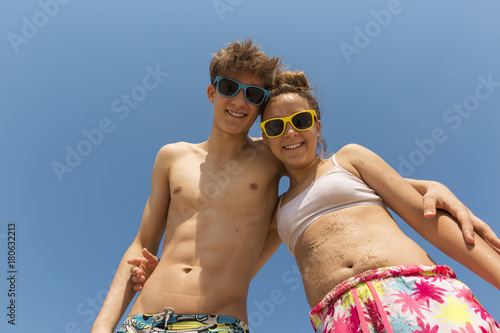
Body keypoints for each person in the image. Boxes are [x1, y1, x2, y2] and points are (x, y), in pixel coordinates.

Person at [93, 39, 499, 333]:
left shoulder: (281, 157)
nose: (239, 100)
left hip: (225, 321)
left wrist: (428, 185)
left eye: (253, 94)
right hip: (148, 317)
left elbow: (340, 179)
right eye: (230, 88)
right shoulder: (177, 157)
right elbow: (139, 246)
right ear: (211, 91)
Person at [257, 70, 500, 332]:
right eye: (275, 126)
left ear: (316, 126)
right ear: (265, 139)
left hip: (412, 290)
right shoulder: (276, 212)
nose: (290, 131)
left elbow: (424, 216)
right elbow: (235, 268)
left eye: (300, 120)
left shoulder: (349, 159)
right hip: (339, 317)